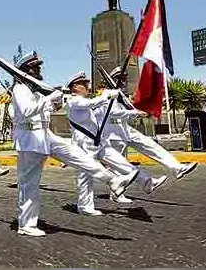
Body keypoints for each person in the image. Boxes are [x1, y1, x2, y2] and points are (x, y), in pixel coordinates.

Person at [9, 51, 137, 237]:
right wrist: (49, 99)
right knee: (30, 185)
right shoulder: (20, 89)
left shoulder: (36, 90)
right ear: (25, 70)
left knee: (78, 156)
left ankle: (113, 179)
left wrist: (55, 103)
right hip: (29, 139)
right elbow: (27, 111)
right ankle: (26, 225)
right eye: (35, 67)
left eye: (38, 66)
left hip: (45, 134)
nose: (39, 69)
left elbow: (46, 111)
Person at [64, 71, 167, 215]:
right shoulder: (73, 101)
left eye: (87, 83)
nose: (87, 86)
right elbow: (92, 102)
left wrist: (133, 112)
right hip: (83, 145)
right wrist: (107, 95)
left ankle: (147, 182)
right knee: (85, 177)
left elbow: (111, 112)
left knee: (122, 163)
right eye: (84, 84)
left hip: (98, 142)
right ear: (75, 86)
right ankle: (85, 207)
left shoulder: (86, 102)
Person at [98, 67, 198, 203]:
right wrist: (134, 113)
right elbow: (111, 112)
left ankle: (176, 168)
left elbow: (125, 114)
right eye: (122, 79)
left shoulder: (122, 95)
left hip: (125, 130)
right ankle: (117, 194)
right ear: (114, 79)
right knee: (119, 165)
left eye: (125, 79)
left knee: (150, 145)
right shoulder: (107, 94)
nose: (125, 81)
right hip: (113, 134)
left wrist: (135, 113)